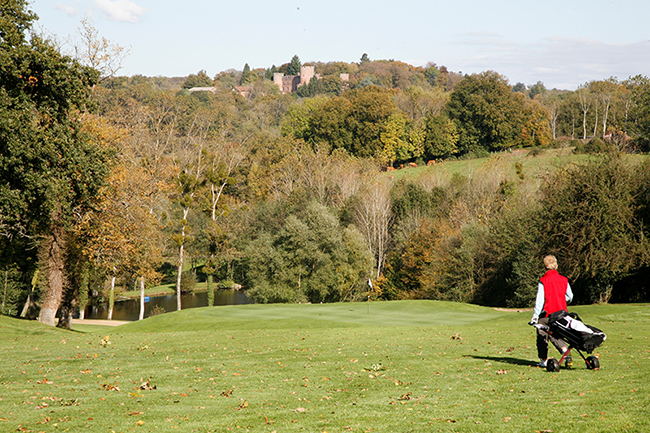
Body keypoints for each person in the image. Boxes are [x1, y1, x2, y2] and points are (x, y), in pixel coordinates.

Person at [529, 255, 574, 368]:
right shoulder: (564, 279)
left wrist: (535, 316)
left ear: (544, 268)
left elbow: (540, 301)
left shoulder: (543, 280)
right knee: (556, 333)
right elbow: (570, 296)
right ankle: (564, 351)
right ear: (557, 266)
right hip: (562, 313)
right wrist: (561, 300)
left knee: (542, 333)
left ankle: (543, 359)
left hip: (548, 313)